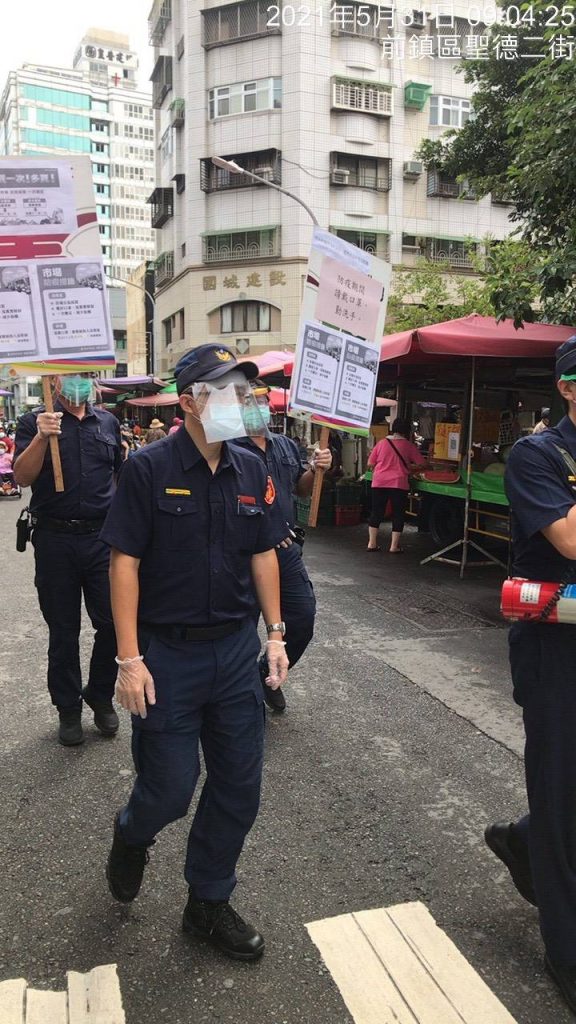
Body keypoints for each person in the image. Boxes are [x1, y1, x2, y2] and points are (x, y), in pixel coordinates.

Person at [100, 344, 288, 962]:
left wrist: (277, 634)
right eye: (227, 390)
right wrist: (129, 659)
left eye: (243, 389)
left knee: (239, 785)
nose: (241, 401)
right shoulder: (148, 469)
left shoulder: (249, 468)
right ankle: (133, 834)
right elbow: (123, 560)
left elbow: (263, 552)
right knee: (169, 790)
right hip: (168, 655)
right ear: (190, 402)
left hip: (235, 653)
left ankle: (207, 901)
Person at [485, 336, 576, 1015]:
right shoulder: (539, 455)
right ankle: (566, 951)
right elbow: (569, 539)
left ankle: (524, 837)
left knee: (563, 801)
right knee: (564, 788)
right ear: (569, 387)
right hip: (557, 649)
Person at [13, 373, 123, 746]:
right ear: (55, 380)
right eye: (71, 375)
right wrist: (43, 437)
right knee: (63, 631)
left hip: (101, 539)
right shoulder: (34, 420)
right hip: (55, 539)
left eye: (86, 375)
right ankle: (68, 708)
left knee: (112, 625)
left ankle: (100, 694)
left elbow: (120, 477)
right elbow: (22, 477)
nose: (80, 383)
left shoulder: (107, 421)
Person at [234, 381, 331, 713]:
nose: (257, 408)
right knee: (242, 631)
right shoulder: (225, 448)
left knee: (302, 619)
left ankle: (265, 674)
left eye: (261, 402)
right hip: (242, 556)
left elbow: (301, 490)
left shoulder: (287, 446)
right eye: (248, 402)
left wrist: (317, 470)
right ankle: (243, 695)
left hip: (286, 552)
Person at [367, 417, 424, 553]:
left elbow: (370, 464)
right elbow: (423, 464)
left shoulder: (381, 443)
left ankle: (372, 543)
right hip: (398, 483)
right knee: (398, 514)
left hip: (379, 481)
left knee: (376, 512)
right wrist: (410, 468)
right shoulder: (409, 446)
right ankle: (394, 546)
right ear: (407, 431)